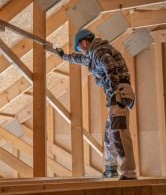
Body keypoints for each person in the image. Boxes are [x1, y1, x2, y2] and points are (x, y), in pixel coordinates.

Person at [54, 29, 137, 180]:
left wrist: (113, 89)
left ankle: (129, 172)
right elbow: (79, 59)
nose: (80, 51)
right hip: (115, 94)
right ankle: (111, 168)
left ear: (84, 43)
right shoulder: (93, 55)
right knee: (110, 133)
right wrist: (63, 56)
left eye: (79, 48)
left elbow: (110, 65)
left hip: (119, 93)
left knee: (119, 132)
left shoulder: (99, 52)